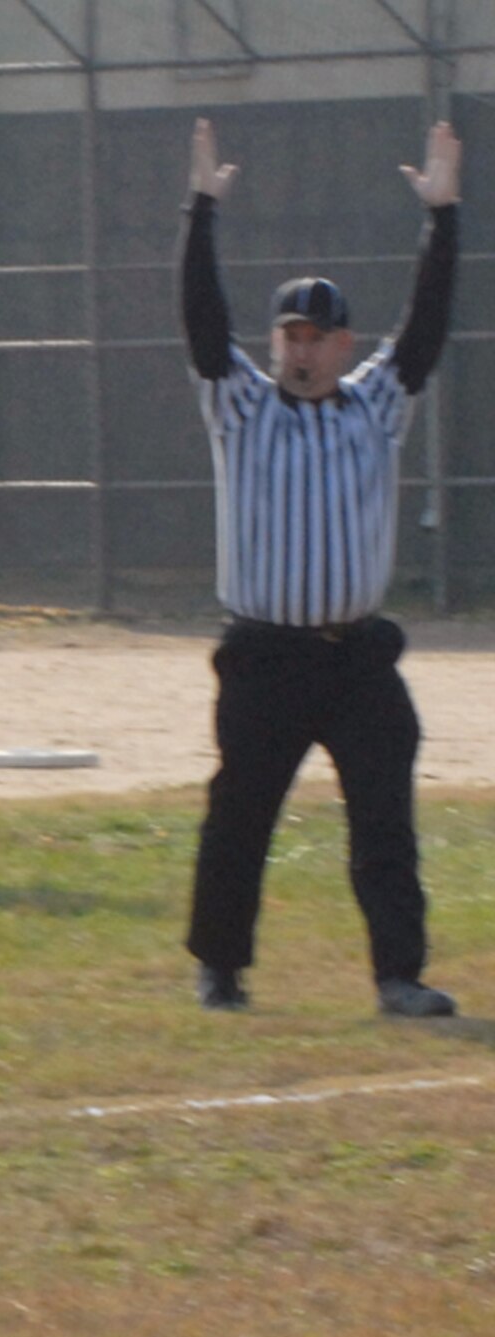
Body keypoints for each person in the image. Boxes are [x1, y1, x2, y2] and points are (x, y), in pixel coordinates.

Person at [178, 118, 461, 1017]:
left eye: (317, 336)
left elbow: (424, 332)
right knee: (240, 818)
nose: (300, 349)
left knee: (384, 821)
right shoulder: (241, 409)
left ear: (343, 344)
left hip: (356, 658)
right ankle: (221, 969)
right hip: (265, 655)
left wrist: (444, 218)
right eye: (288, 335)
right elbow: (201, 321)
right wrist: (201, 212)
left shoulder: (374, 406)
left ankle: (398, 977)